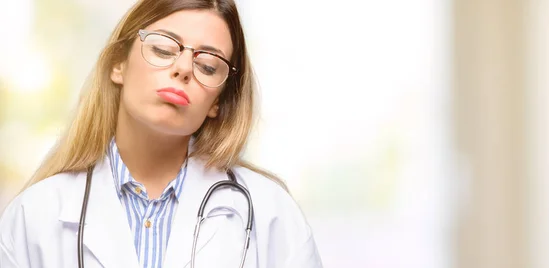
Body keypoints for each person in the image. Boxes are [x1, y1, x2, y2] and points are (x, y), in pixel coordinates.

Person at [0, 0, 323, 267]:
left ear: (218, 102)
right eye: (163, 49)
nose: (183, 68)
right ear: (118, 65)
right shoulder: (33, 217)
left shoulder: (272, 215)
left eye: (208, 65)